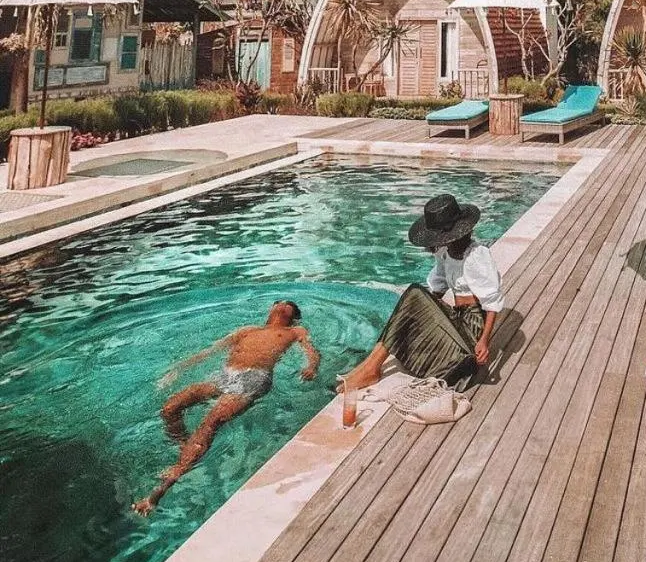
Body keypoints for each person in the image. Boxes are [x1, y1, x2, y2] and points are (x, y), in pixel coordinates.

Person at [133, 300, 320, 515]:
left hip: (255, 377)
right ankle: (186, 447)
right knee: (170, 408)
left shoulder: (295, 330)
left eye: (288, 305)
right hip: (224, 375)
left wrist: (312, 367)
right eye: (278, 303)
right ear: (270, 308)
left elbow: (310, 350)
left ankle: (168, 482)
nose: (281, 305)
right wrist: (178, 368)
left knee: (211, 422)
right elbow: (211, 350)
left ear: (293, 315)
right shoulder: (247, 330)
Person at [339, 194, 503, 395]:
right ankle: (368, 367)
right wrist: (417, 313)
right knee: (414, 299)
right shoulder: (446, 253)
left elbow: (492, 303)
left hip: (471, 333)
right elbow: (438, 288)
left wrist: (484, 341)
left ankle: (370, 369)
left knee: (415, 293)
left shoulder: (477, 255)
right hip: (457, 321)